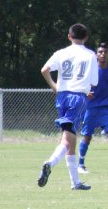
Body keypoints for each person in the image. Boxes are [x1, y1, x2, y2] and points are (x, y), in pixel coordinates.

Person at [38, 23, 98, 191]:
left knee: (71, 138)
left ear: (69, 36)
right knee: (67, 139)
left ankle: (75, 182)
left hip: (62, 96)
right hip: (78, 97)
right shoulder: (90, 55)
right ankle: (50, 162)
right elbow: (93, 82)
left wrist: (54, 86)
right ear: (86, 37)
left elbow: (45, 70)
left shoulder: (61, 53)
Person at [78, 43, 108, 174]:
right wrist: (85, 93)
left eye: (105, 52)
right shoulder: (90, 70)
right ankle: (80, 164)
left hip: (105, 109)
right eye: (100, 52)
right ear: (96, 55)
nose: (103, 54)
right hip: (91, 108)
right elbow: (81, 85)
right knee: (87, 136)